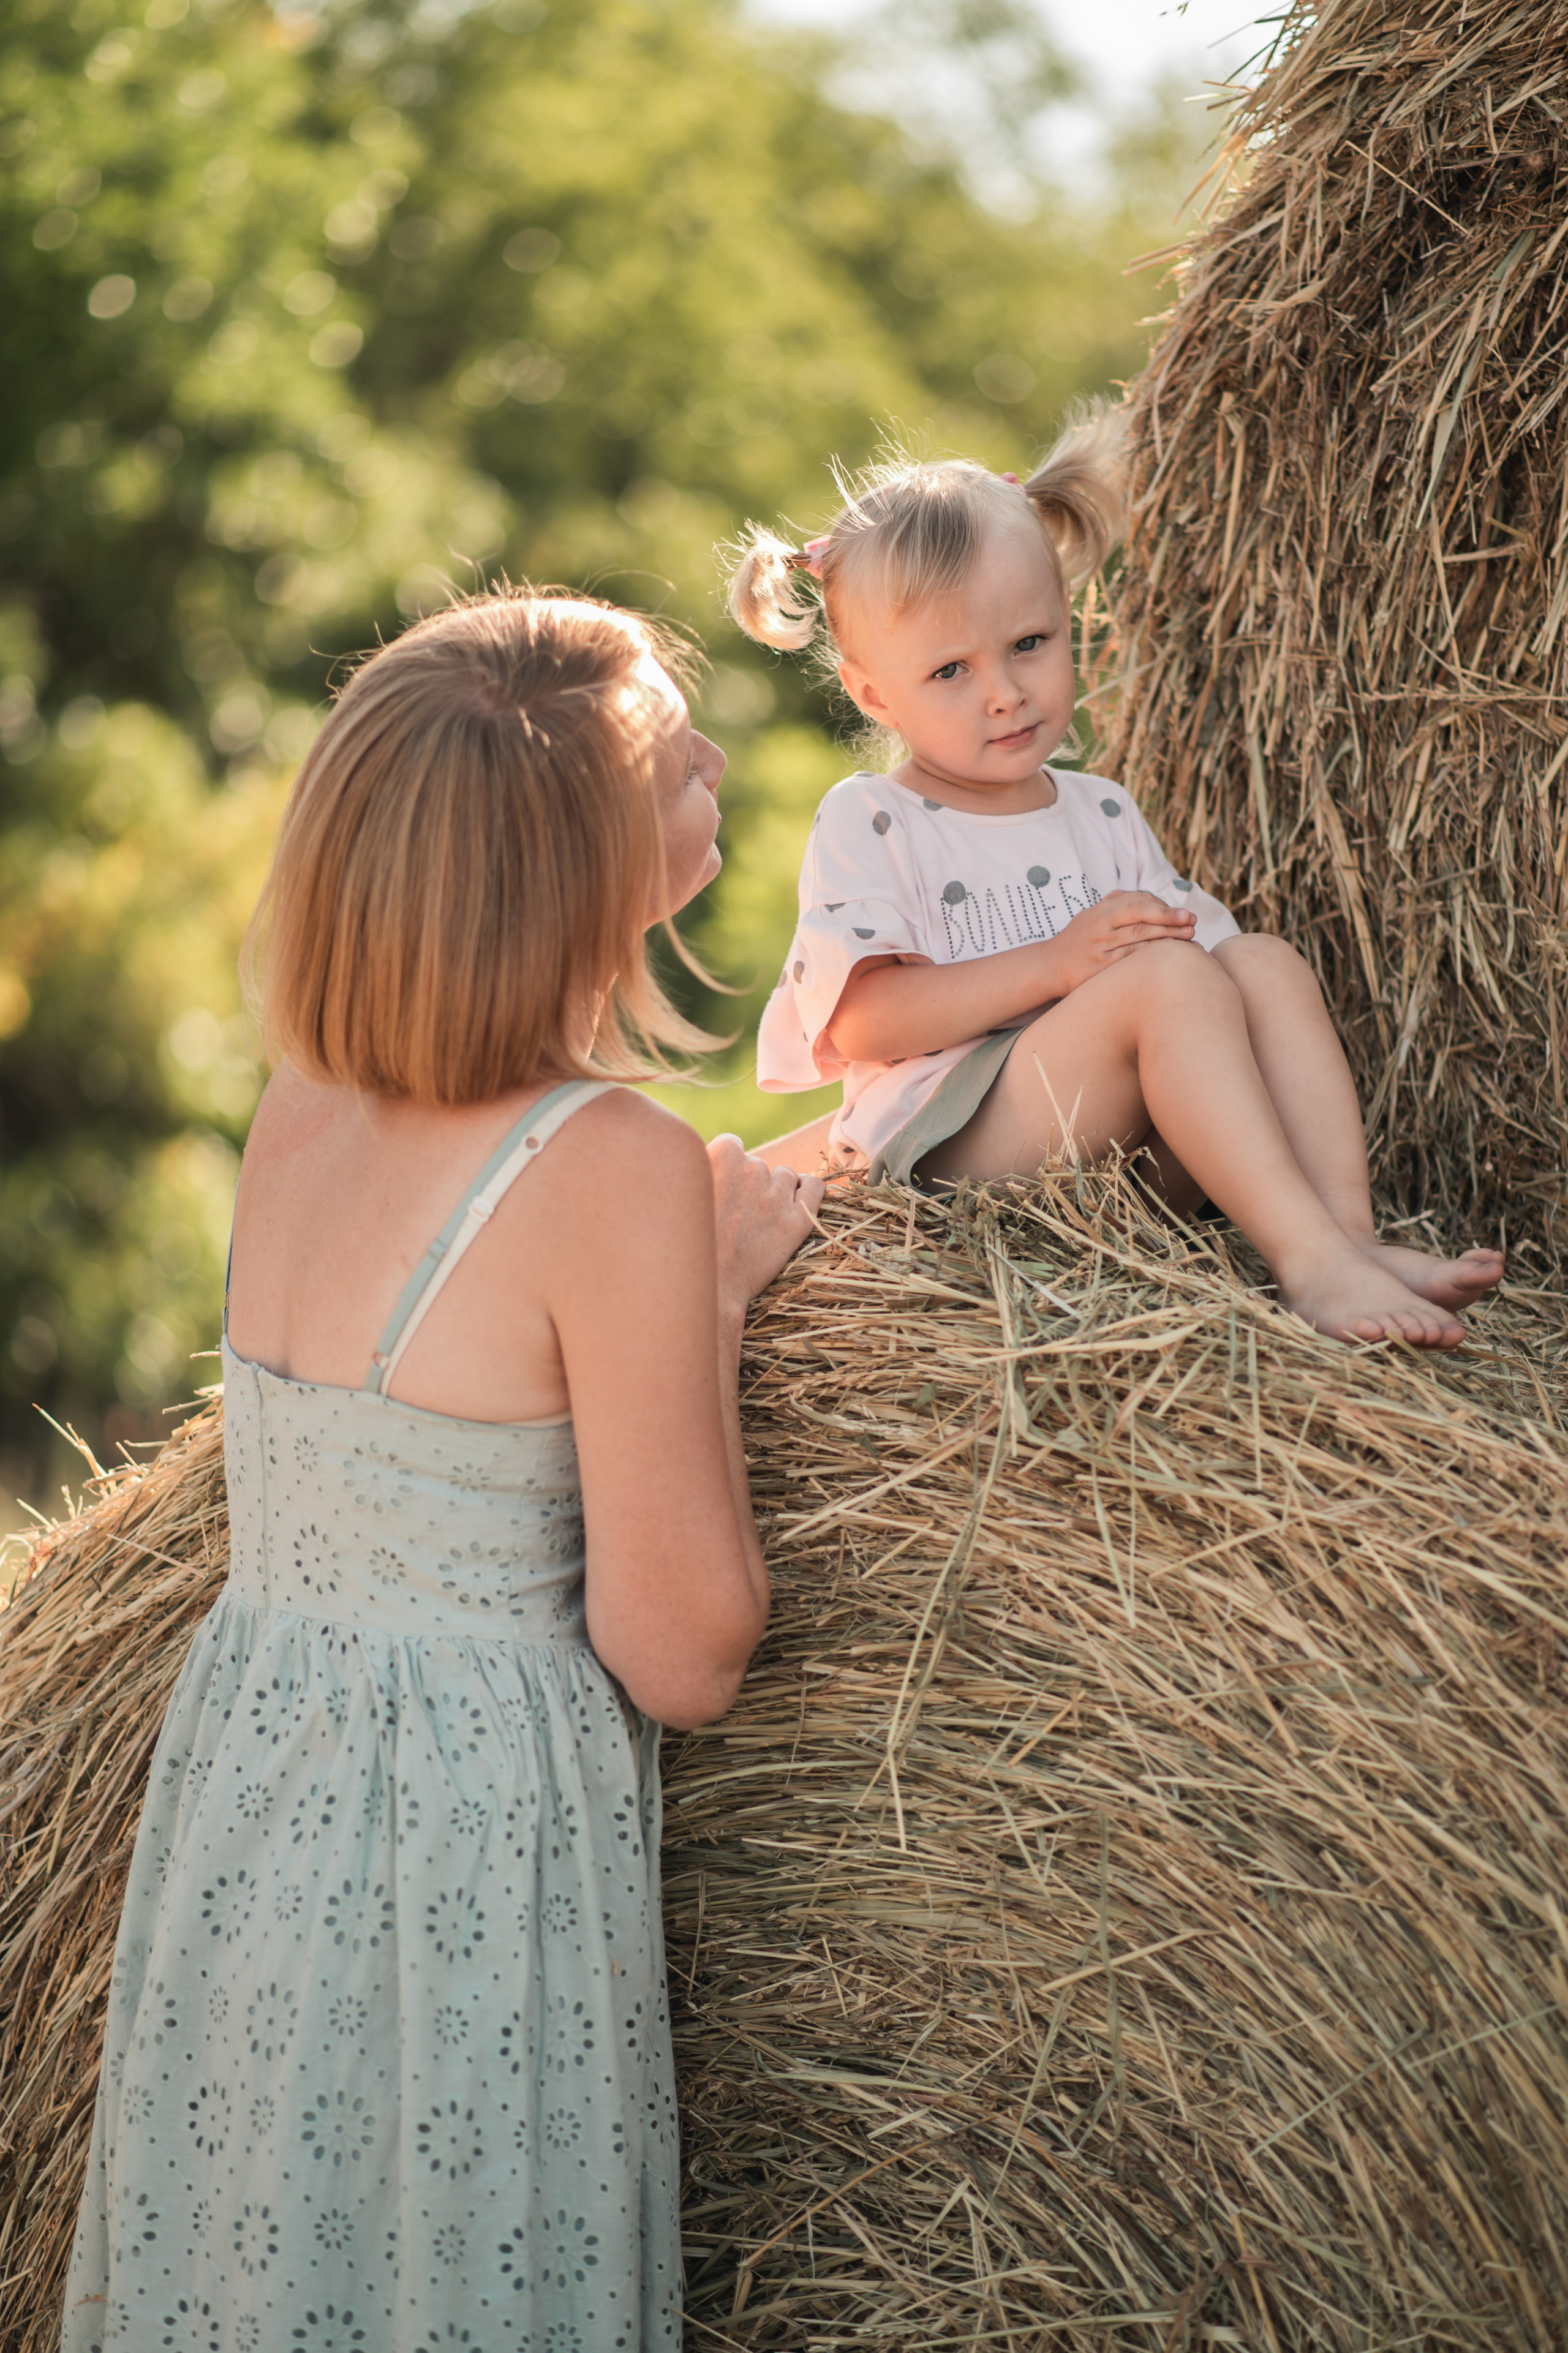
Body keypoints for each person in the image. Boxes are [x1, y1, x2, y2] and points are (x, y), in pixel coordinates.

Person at [62, 589, 823, 2351]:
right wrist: (705, 1291)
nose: (713, 756)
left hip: (253, 1826)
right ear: (557, 865)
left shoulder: (301, 1100)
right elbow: (686, 1646)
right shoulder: (608, 1166)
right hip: (458, 1871)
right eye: (667, 757)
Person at [727, 420, 1503, 1347]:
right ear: (873, 695)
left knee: (1259, 960)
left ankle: (1346, 1234)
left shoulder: (1098, 808)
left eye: (1029, 642)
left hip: (1123, 1152)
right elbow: (864, 1022)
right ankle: (1310, 1268)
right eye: (949, 671)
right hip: (952, 1149)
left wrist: (1202, 978)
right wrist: (1055, 965)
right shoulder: (870, 818)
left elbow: (1208, 972)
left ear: (1068, 621)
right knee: (1165, 979)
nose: (1005, 691)